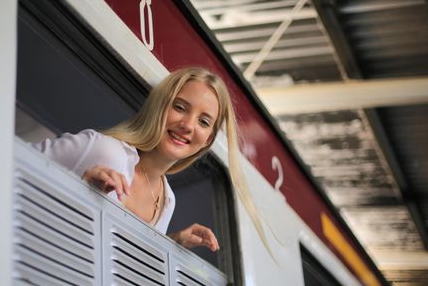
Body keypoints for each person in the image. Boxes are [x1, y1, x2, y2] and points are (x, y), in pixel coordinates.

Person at [33, 67, 267, 253]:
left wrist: (170, 244)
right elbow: (4, 159)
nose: (187, 126)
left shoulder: (167, 201)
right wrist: (74, 187)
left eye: (203, 122)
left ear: (206, 141)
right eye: (180, 107)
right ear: (160, 107)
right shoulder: (106, 150)